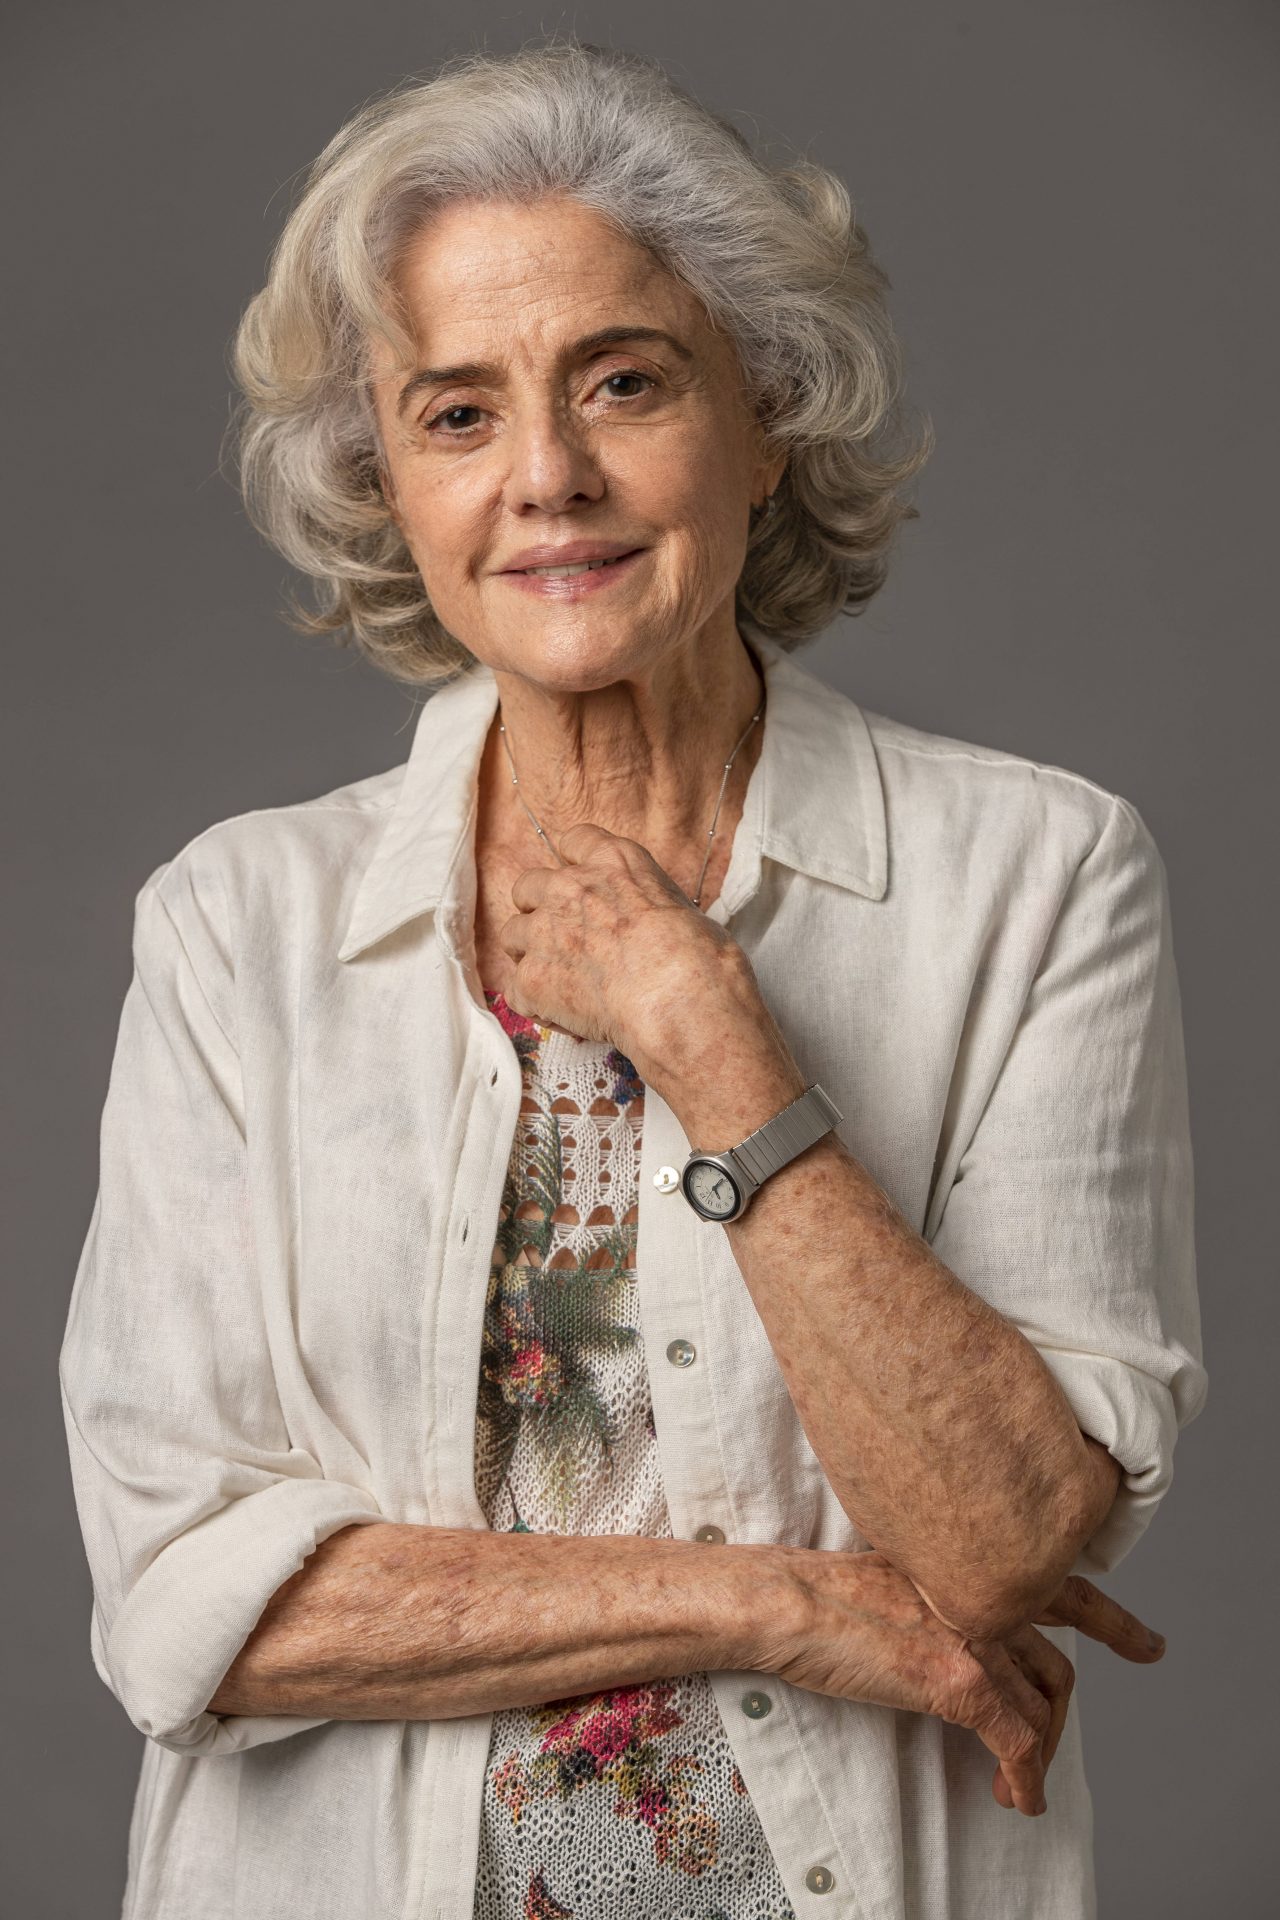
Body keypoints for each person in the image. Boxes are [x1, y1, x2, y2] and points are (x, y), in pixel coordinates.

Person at [58, 38, 1207, 1920]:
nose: (549, 478)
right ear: (386, 483)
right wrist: (787, 1608)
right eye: (456, 413)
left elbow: (1004, 1542)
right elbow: (193, 1601)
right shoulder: (235, 926)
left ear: (767, 417)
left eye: (624, 380)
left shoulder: (1036, 876)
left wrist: (712, 1043)